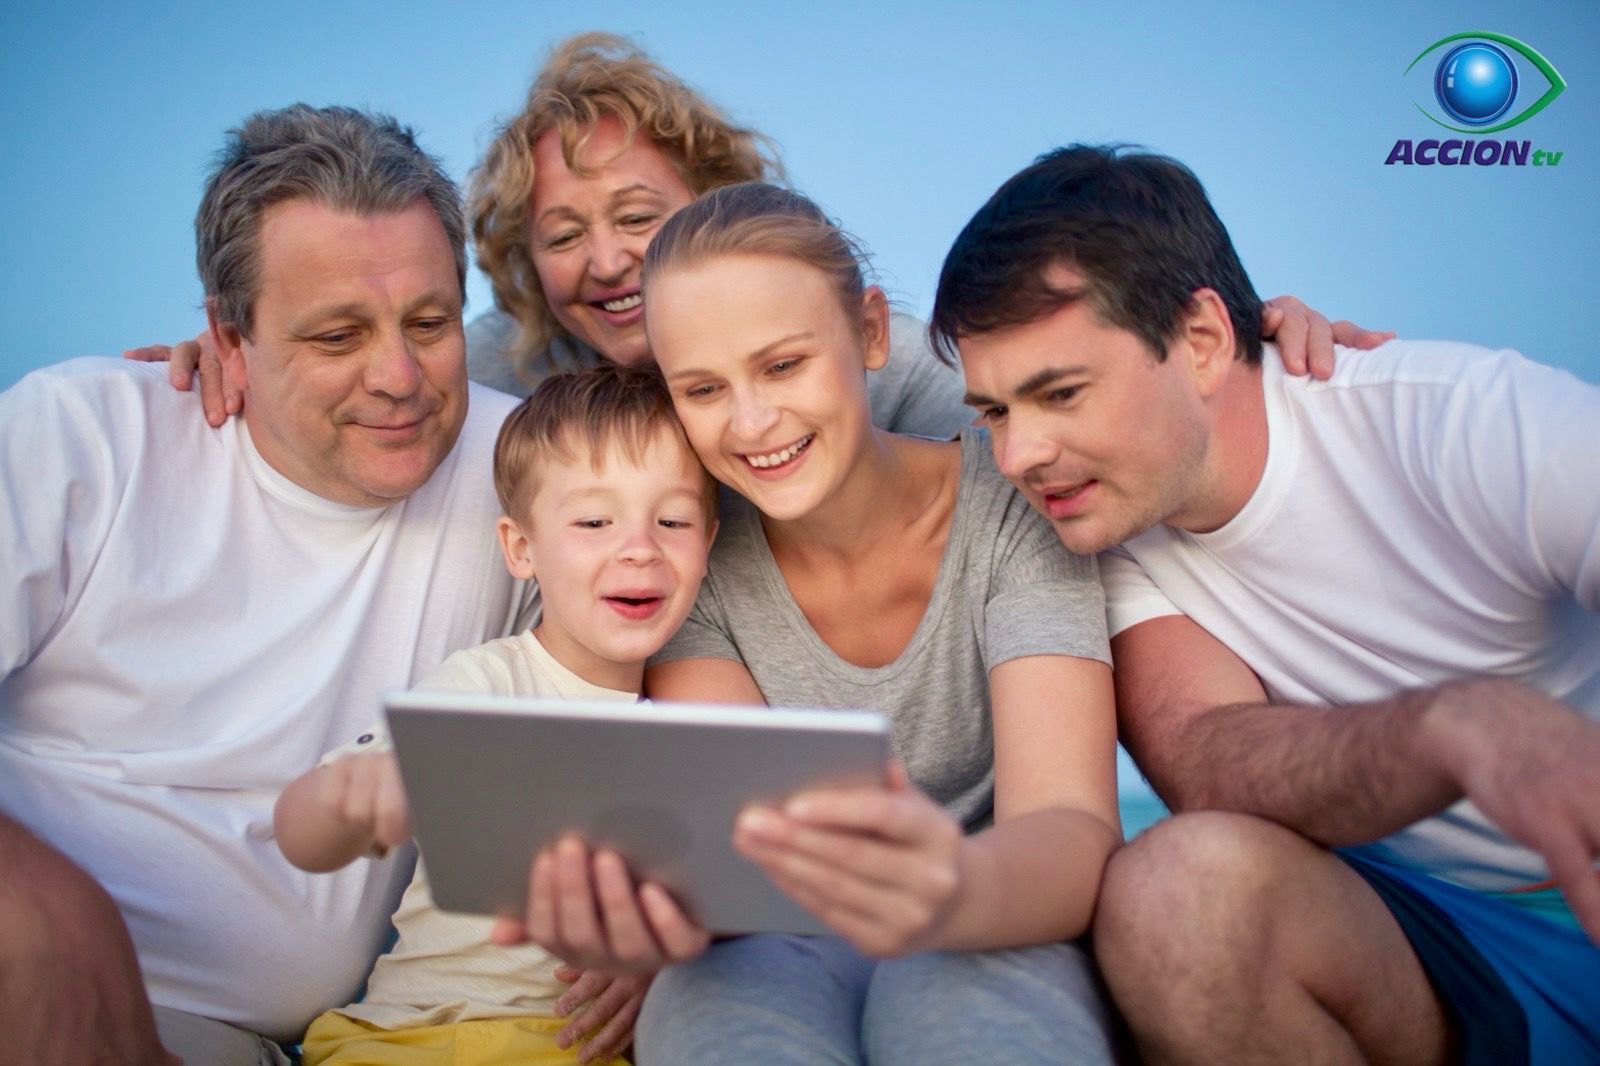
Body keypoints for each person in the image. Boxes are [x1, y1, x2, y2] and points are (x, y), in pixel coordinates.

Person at [933, 143, 1600, 1064]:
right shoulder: (1093, 526)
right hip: (1424, 931)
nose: (1018, 458)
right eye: (997, 412)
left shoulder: (1460, 419)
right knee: (1178, 893)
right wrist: (1451, 725)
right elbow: (1205, 758)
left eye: (1062, 393)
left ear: (1203, 340)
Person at [490, 181, 1123, 1063]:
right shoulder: (691, 556)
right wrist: (661, 913)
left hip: (993, 905)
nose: (752, 422)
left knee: (952, 1017)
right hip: (780, 937)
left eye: (784, 366)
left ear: (870, 332)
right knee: (712, 1023)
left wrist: (948, 886)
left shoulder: (1011, 505)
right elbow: (738, 845)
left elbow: (1070, 827)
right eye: (703, 388)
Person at [0, 104, 539, 1064]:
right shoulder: (83, 435)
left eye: (430, 323)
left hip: (233, 1041)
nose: (399, 376)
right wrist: (42, 913)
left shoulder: (531, 477)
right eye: (336, 337)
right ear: (227, 337)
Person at [129, 32, 1369, 434]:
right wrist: (226, 358)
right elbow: (360, 364)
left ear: (720, 213)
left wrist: (1235, 340)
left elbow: (1048, 406)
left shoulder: (876, 365)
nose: (605, 259)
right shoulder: (502, 364)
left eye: (639, 217)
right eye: (562, 233)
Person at [273, 365, 718, 1066]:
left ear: (709, 545)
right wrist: (360, 793)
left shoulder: (698, 719)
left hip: (574, 1048)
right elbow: (301, 834)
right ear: (521, 548)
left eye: (672, 521)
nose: (640, 547)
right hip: (415, 1038)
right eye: (594, 522)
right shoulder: (488, 685)